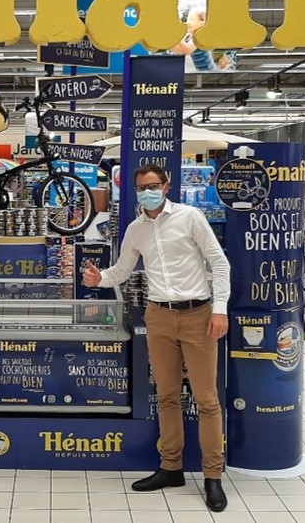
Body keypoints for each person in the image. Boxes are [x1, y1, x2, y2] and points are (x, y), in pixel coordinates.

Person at [82, 164, 230, 513]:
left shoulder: (190, 217)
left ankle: (212, 476)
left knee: (206, 399)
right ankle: (171, 468)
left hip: (198, 315)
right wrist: (98, 279)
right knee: (166, 396)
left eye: (153, 185)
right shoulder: (135, 229)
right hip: (158, 316)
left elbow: (219, 263)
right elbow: (122, 270)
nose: (147, 191)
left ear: (166, 186)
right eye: (141, 187)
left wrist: (220, 308)